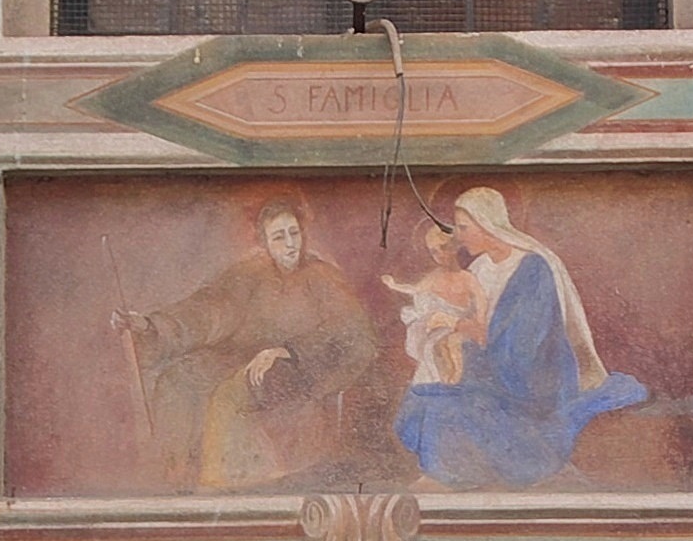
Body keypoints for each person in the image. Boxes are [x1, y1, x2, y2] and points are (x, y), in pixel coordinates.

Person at [115, 197, 382, 486]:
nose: (290, 244)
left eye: (294, 233)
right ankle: (175, 477)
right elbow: (207, 309)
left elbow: (352, 332)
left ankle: (221, 486)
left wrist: (286, 350)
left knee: (227, 397)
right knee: (177, 381)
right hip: (240, 359)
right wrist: (149, 324)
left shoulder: (324, 277)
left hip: (300, 369)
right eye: (279, 237)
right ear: (265, 242)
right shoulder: (250, 274)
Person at [392, 184, 646, 483]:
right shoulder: (482, 267)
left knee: (444, 406)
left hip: (531, 381)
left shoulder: (532, 269)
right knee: (426, 397)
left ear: (486, 225)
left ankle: (466, 476)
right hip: (492, 368)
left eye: (463, 228)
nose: (457, 237)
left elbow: (524, 346)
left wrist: (464, 344)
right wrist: (448, 334)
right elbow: (470, 321)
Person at [386, 223, 487, 389]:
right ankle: (439, 382)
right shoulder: (435, 276)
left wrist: (480, 319)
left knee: (452, 344)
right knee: (434, 347)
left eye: (444, 248)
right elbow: (415, 289)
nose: (440, 254)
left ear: (455, 247)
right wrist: (394, 285)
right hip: (439, 325)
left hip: (460, 323)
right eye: (434, 251)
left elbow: (480, 298)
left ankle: (454, 381)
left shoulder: (467, 277)